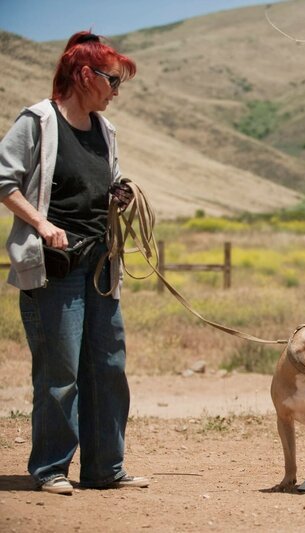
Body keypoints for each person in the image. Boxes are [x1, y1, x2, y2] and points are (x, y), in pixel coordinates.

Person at [0, 31, 148, 495]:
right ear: (85, 75)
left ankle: (105, 467)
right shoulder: (38, 122)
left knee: (107, 366)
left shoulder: (107, 131)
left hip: (101, 265)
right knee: (59, 370)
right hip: (55, 267)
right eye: (111, 81)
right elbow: (4, 182)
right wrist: (42, 224)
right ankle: (50, 469)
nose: (115, 92)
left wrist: (119, 196)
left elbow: (100, 186)